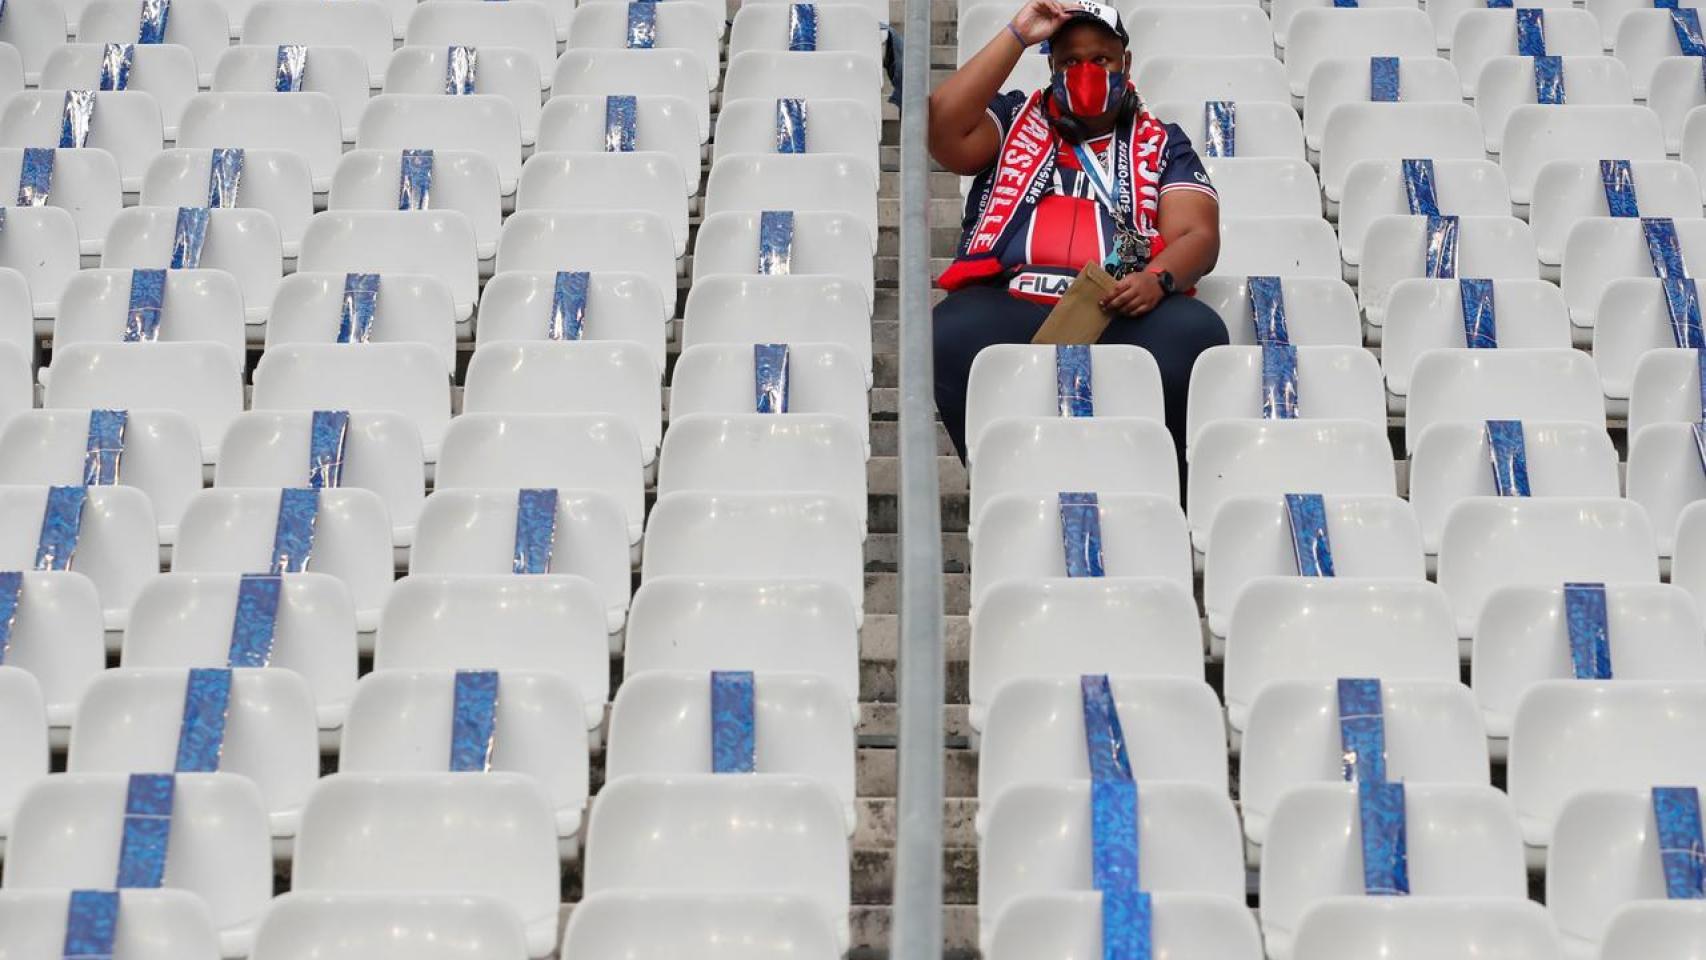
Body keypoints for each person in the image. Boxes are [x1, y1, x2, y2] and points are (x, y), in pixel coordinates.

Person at [928, 0, 1228, 470]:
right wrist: (1017, 34)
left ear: (1125, 62)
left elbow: (1198, 233)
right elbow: (943, 128)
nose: (1085, 72)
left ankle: (1157, 480)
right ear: (1050, 65)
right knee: (948, 332)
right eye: (1070, 61)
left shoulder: (1163, 141)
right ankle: (1001, 476)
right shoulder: (1012, 121)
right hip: (1015, 298)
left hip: (1120, 306)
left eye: (1100, 60)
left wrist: (1158, 279)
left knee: (1195, 332)